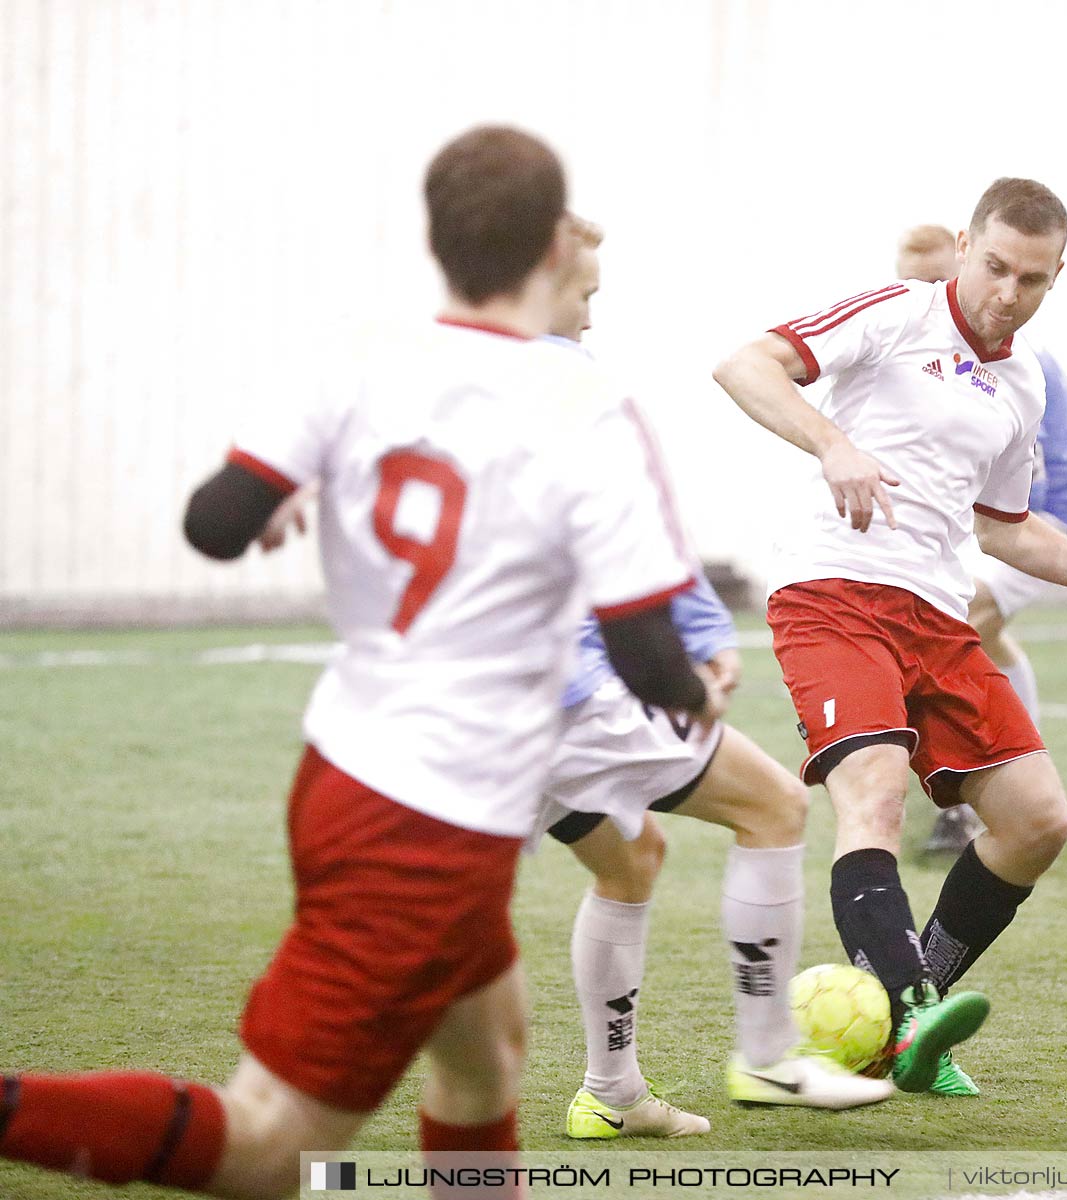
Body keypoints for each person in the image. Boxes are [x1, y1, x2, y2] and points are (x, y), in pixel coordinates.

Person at [0, 126, 721, 1199]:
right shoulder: (584, 407)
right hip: (430, 823)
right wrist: (699, 696)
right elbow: (645, 646)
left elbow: (213, 523)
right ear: (551, 248)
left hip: (343, 769)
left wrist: (296, 490)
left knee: (487, 1055)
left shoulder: (359, 356)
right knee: (268, 1148)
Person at [713, 179, 1067, 1098]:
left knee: (1037, 821)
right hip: (832, 590)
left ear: (1054, 278)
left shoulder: (1023, 381)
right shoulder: (895, 315)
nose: (1006, 292)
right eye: (994, 266)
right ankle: (915, 1009)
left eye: (1030, 279)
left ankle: (901, 1025)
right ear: (965, 246)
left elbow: (1003, 525)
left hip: (936, 613)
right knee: (872, 796)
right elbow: (746, 366)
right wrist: (832, 442)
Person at [532, 220, 891, 1133]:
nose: (589, 314)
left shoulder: (439, 378)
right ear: (537, 280)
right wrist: (698, 638)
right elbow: (638, 526)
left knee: (631, 859)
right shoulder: (570, 386)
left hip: (473, 714)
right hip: (575, 696)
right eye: (586, 293)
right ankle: (769, 1060)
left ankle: (609, 1094)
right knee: (776, 806)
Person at [892, 225, 1067, 855]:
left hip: (1054, 514)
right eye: (907, 282)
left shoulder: (1008, 363)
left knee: (960, 621)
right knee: (979, 630)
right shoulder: (912, 344)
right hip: (999, 524)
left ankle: (981, 795)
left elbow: (1016, 504)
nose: (921, 295)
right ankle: (1012, 772)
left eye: (933, 281)